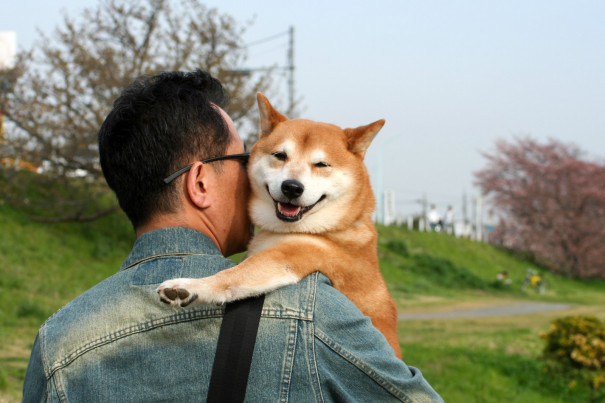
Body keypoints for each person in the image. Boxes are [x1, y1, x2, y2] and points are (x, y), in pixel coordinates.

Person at [22, 70, 442, 402]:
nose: (258, 176)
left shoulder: (56, 341)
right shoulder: (314, 312)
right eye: (246, 158)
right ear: (200, 183)